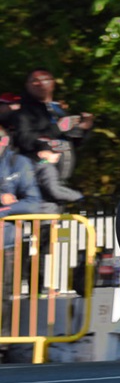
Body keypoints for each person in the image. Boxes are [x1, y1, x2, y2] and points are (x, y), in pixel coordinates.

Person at [13, 68, 93, 183]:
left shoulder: (59, 110)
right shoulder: (24, 111)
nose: (40, 84)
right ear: (27, 85)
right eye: (35, 81)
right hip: (35, 178)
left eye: (45, 79)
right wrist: (58, 128)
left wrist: (83, 129)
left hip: (61, 178)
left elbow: (74, 143)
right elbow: (26, 140)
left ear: (53, 83)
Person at [0, 124, 43, 340]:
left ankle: (3, 345)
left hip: (6, 243)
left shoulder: (18, 164)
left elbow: (34, 204)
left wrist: (4, 209)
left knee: (4, 295)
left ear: (5, 141)